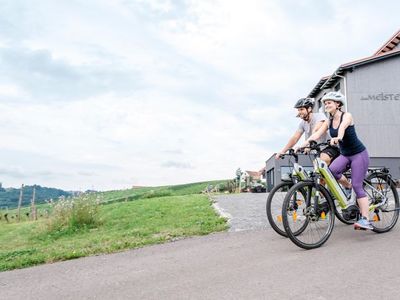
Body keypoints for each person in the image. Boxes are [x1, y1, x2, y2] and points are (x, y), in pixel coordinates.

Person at [301, 91, 371, 230]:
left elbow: (343, 127)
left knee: (358, 186)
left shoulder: (347, 116)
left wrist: (338, 137)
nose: (326, 105)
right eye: (325, 103)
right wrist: (303, 145)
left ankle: (366, 219)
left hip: (358, 154)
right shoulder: (328, 120)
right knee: (331, 172)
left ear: (338, 104)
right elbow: (317, 133)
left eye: (329, 102)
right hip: (345, 155)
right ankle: (347, 188)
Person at [275, 97, 340, 166]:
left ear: (309, 109)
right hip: (319, 150)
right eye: (298, 110)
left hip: (331, 147)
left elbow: (316, 131)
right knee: (317, 170)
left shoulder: (319, 116)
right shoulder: (303, 124)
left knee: (321, 163)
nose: (299, 112)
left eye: (301, 109)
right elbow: (295, 138)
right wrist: (283, 151)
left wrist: (307, 145)